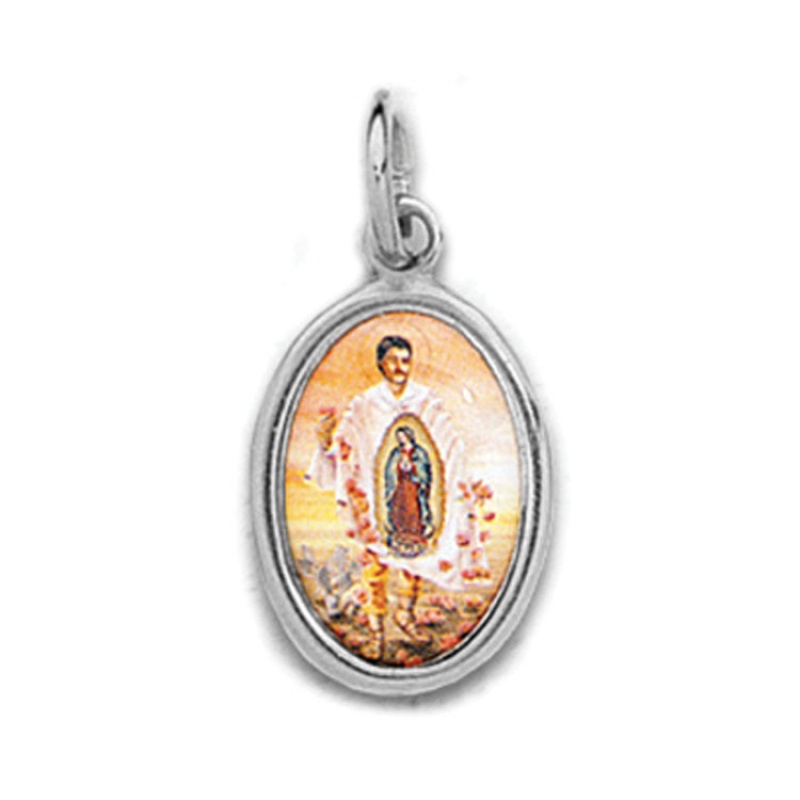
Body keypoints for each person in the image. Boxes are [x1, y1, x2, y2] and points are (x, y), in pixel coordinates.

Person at [307, 334, 489, 660]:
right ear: (381, 363)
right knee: (375, 564)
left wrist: (455, 477)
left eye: (405, 360)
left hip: (414, 501)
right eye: (393, 360)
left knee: (413, 559)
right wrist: (325, 444)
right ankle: (377, 630)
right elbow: (347, 448)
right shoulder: (364, 405)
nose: (400, 367)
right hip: (380, 499)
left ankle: (405, 615)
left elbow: (446, 446)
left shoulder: (426, 401)